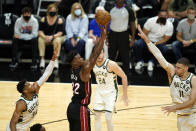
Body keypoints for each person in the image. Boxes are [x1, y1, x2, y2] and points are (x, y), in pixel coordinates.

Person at [138, 24, 196, 131]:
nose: (176, 69)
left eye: (179, 68)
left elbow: (192, 101)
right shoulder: (172, 72)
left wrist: (174, 107)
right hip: (181, 117)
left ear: (186, 68)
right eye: (176, 67)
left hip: (194, 115)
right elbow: (159, 55)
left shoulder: (193, 79)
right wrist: (146, 40)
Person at [6, 45, 59, 131]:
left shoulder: (35, 89)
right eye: (29, 85)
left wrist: (53, 59)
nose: (32, 85)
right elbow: (12, 123)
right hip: (16, 129)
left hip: (25, 127)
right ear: (25, 91)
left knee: (42, 129)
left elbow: (46, 74)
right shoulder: (21, 103)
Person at [66, 26, 107, 131]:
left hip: (71, 108)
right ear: (74, 62)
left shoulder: (72, 69)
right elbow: (96, 54)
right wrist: (103, 37)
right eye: (79, 58)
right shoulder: (84, 71)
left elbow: (89, 59)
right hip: (80, 109)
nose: (82, 58)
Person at [93, 48, 129, 131]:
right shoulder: (92, 63)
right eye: (97, 53)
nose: (99, 55)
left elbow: (124, 77)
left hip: (111, 92)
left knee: (108, 117)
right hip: (99, 92)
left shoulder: (111, 64)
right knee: (96, 116)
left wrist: (125, 95)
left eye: (101, 53)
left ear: (104, 53)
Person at [109, 0, 136, 75]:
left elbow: (133, 24)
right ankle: (110, 73)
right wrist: (105, 36)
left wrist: (133, 38)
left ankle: (126, 75)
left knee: (125, 56)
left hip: (123, 34)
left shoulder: (129, 10)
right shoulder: (110, 8)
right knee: (111, 55)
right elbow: (106, 23)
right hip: (112, 34)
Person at [38, 3, 64, 69]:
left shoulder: (59, 20)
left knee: (57, 40)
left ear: (56, 11)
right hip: (45, 37)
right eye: (51, 10)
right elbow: (40, 31)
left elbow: (60, 32)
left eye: (54, 10)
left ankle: (55, 59)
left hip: (55, 37)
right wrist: (45, 37)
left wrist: (52, 37)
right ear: (48, 11)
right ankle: (42, 59)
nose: (52, 12)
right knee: (40, 39)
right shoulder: (43, 19)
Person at [172, 6, 196, 73]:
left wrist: (190, 41)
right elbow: (178, 36)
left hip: (194, 42)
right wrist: (183, 41)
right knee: (174, 45)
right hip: (184, 42)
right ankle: (181, 65)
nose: (191, 15)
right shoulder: (181, 23)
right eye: (190, 13)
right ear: (187, 14)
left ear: (195, 14)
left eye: (193, 13)